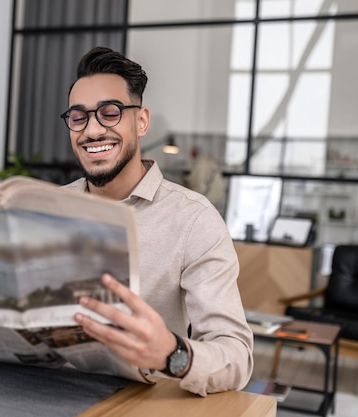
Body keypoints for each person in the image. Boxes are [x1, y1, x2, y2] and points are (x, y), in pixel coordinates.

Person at [61, 46, 253, 396]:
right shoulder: (50, 207)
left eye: (110, 112)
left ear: (142, 121)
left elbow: (237, 356)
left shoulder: (194, 219)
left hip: (143, 400)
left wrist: (172, 353)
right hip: (42, 393)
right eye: (78, 117)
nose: (91, 130)